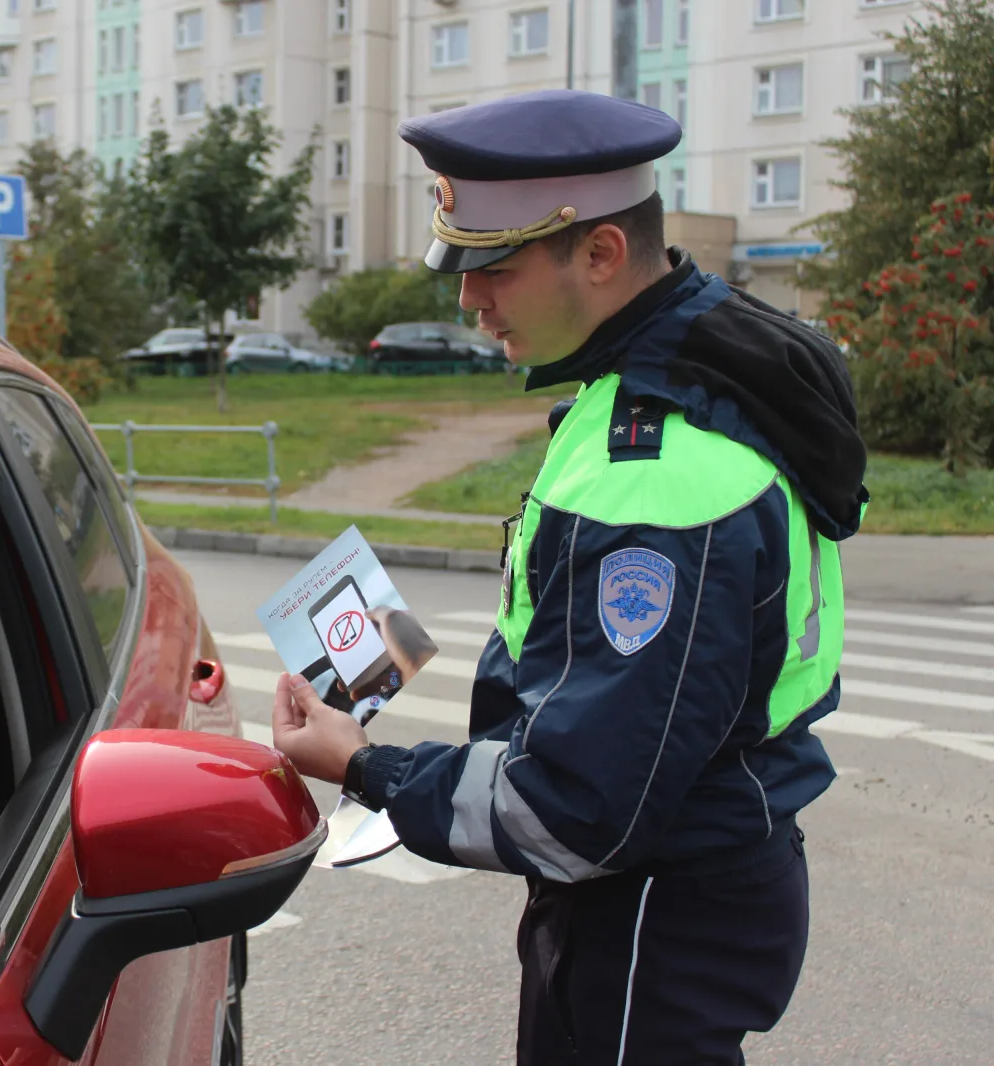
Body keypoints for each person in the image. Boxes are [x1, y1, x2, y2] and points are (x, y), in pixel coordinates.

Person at [271, 90, 868, 1066]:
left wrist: (368, 767)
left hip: (653, 906)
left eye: (493, 267)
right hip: (687, 877)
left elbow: (577, 808)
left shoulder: (658, 475)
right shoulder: (666, 363)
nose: (468, 301)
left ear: (598, 254)